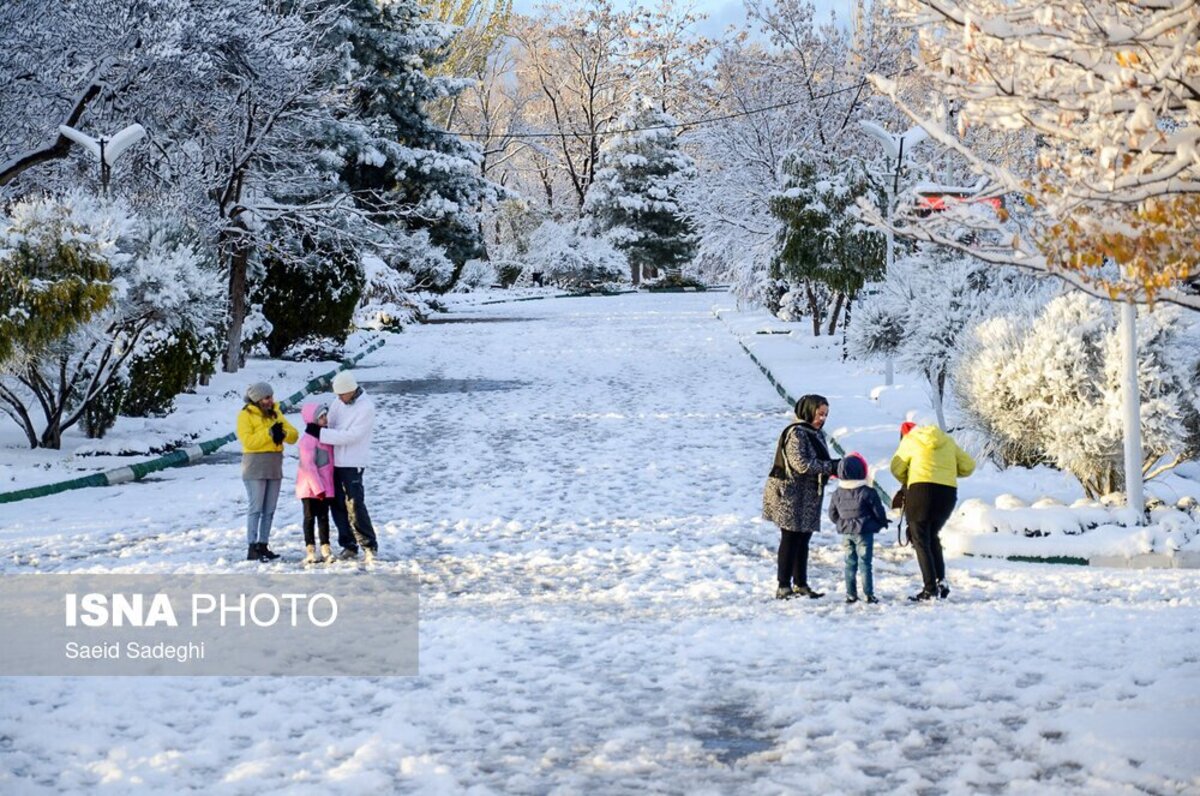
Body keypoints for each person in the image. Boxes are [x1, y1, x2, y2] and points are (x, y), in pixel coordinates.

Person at [762, 393, 840, 600]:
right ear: (808, 411)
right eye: (819, 413)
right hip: (790, 494)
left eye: (825, 415)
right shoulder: (796, 432)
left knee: (803, 538)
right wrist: (831, 467)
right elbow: (801, 464)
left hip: (808, 495)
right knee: (790, 538)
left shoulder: (815, 433)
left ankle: (801, 583)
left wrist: (833, 466)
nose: (822, 418)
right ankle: (783, 585)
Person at [890, 418, 975, 601]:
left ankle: (930, 589)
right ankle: (941, 581)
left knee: (920, 539)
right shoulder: (948, 441)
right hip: (947, 494)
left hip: (920, 491)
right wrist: (945, 472)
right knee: (932, 535)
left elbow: (896, 467)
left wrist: (909, 478)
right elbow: (969, 467)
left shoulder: (911, 440)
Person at [308, 370, 379, 562]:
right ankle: (348, 544)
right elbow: (330, 424)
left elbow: (352, 436)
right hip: (334, 461)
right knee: (337, 504)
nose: (339, 398)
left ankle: (368, 544)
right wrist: (319, 430)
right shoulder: (338, 403)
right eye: (337, 395)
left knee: (354, 504)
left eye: (342, 394)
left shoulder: (366, 407)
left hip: (353, 461)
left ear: (351, 390)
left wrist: (321, 434)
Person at [237, 382, 298, 561]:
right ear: (257, 399)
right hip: (255, 465)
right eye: (267, 398)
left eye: (271, 396)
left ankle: (263, 544)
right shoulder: (245, 415)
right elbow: (248, 441)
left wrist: (283, 434)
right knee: (256, 507)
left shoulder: (275, 413)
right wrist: (269, 433)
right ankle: (252, 546)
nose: (271, 400)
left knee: (269, 509)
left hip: (274, 464)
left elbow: (294, 435)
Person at [828, 453, 888, 604]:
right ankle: (868, 594)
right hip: (864, 532)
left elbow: (832, 514)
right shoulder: (868, 492)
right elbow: (878, 511)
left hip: (846, 532)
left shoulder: (837, 493)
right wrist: (882, 522)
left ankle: (851, 594)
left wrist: (842, 523)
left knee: (850, 563)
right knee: (865, 564)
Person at [296, 402, 336, 564]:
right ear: (313, 419)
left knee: (324, 517)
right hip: (310, 488)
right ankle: (310, 549)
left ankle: (326, 547)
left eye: (325, 415)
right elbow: (308, 466)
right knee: (309, 517)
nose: (325, 419)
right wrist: (318, 489)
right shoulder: (308, 440)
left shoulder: (325, 436)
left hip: (324, 487)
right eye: (321, 417)